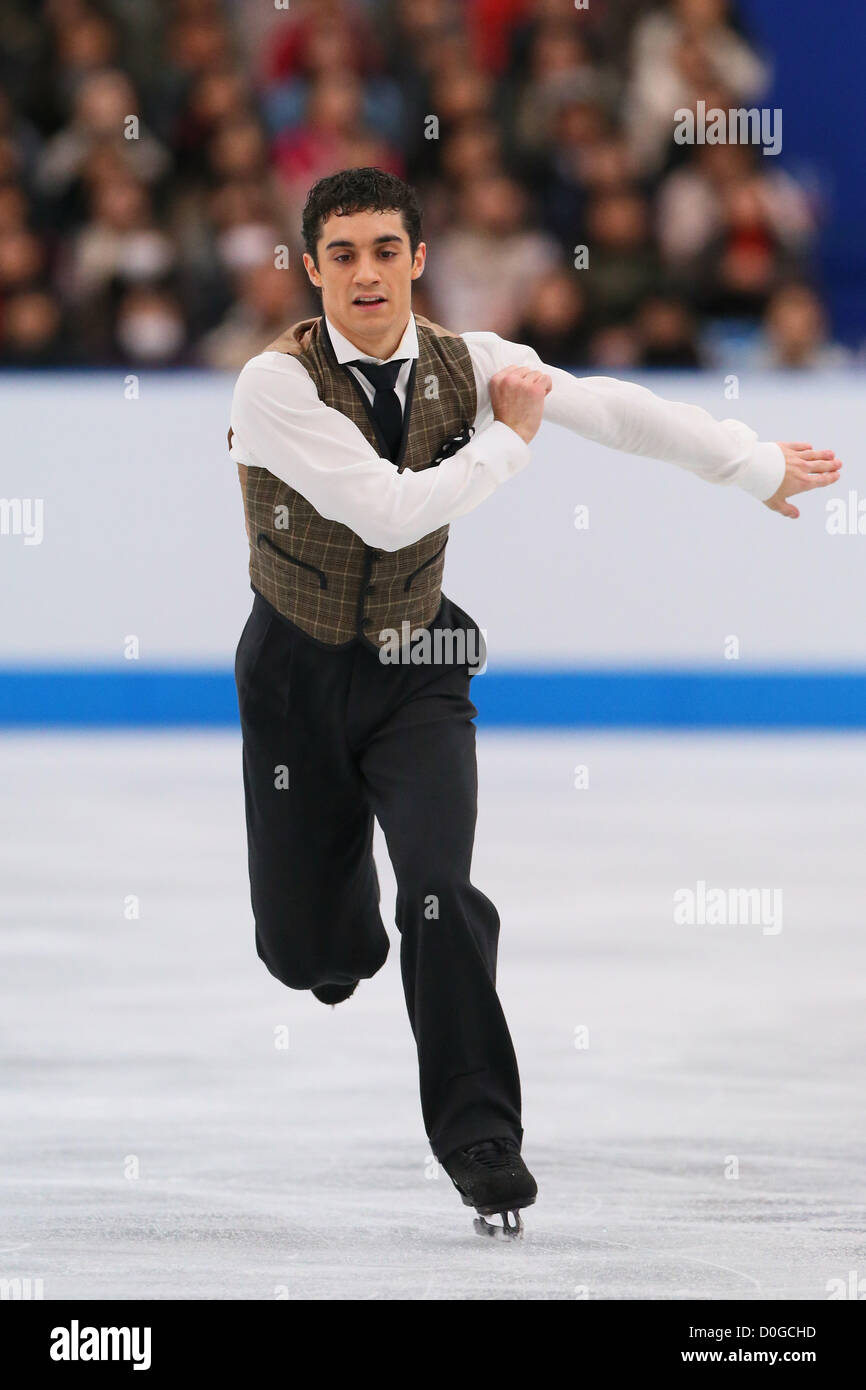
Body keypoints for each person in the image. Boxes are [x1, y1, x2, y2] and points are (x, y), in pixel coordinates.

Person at [228, 167, 840, 1237]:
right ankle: (334, 945)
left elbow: (615, 411)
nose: (365, 273)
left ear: (419, 260)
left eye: (384, 249)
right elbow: (383, 512)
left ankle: (479, 1139)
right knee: (309, 955)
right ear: (311, 267)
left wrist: (749, 465)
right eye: (342, 254)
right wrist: (507, 443)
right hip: (294, 674)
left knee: (438, 891)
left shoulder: (474, 364)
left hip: (420, 662)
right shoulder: (273, 387)